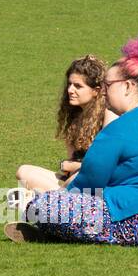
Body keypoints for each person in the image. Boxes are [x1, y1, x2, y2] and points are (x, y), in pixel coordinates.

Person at [5, 32, 138, 246]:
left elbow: (86, 186)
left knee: (43, 206)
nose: (104, 93)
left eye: (108, 86)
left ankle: (50, 226)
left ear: (128, 87)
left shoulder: (117, 130)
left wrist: (54, 199)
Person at [14, 55, 116, 196]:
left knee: (74, 179)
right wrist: (70, 166)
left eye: (78, 86)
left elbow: (106, 167)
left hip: (98, 185)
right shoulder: (75, 115)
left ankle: (42, 201)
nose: (70, 90)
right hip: (74, 182)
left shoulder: (108, 117)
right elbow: (70, 164)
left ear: (96, 91)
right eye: (70, 84)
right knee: (24, 171)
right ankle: (47, 199)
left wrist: (73, 166)